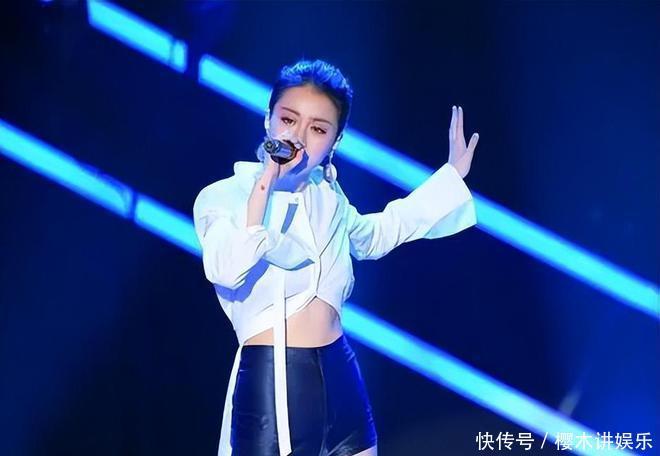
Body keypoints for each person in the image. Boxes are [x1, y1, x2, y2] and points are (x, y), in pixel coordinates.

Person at [192, 58, 479, 456]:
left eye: (318, 129)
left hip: (340, 372)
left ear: (335, 141)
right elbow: (225, 268)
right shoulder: (225, 196)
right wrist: (267, 183)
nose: (297, 137)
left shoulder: (328, 198)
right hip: (275, 380)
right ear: (268, 119)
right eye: (288, 120)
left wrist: (449, 179)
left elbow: (375, 236)